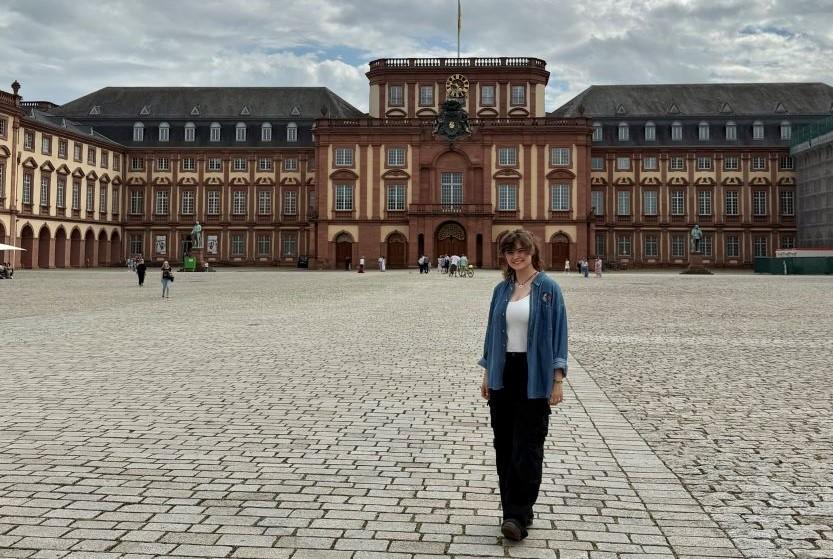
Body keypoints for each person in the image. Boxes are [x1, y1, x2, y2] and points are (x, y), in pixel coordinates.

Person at [479, 228, 568, 542]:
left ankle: (520, 512)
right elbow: (492, 334)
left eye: (522, 251)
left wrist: (557, 379)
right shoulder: (501, 290)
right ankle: (510, 513)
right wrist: (488, 373)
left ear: (532, 252)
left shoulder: (548, 288)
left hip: (534, 375)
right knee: (504, 446)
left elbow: (559, 335)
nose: (516, 256)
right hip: (504, 373)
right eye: (510, 251)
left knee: (527, 448)